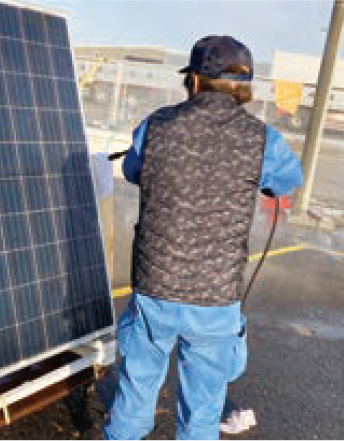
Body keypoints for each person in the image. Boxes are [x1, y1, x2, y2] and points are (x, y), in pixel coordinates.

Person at [103, 35, 303, 440]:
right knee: (202, 410)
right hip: (214, 300)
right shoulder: (263, 140)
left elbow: (131, 170)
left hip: (154, 289)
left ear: (195, 80)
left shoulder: (155, 125)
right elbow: (288, 181)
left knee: (136, 392)